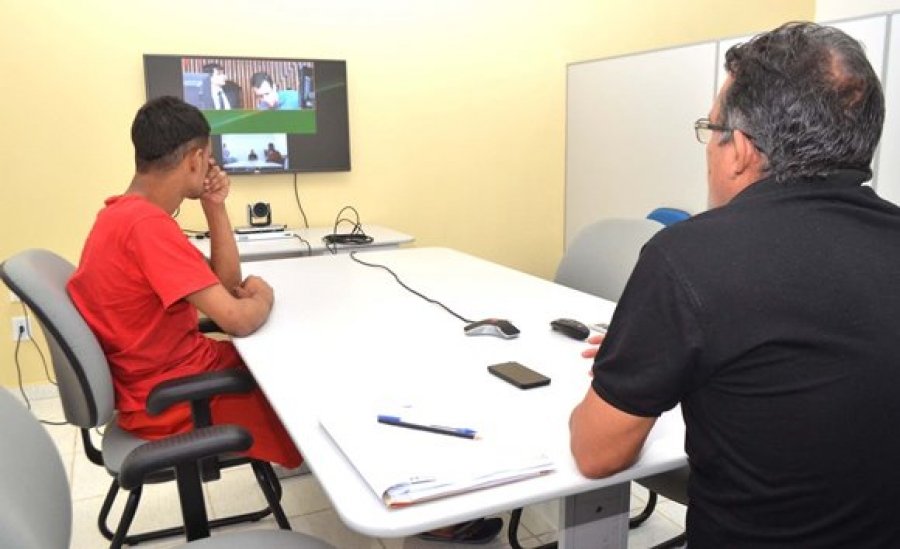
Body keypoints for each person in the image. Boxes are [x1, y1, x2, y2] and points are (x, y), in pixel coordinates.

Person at [569, 22, 900, 547]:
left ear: (741, 149)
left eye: (711, 127)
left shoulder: (689, 256)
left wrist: (639, 366)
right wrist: (659, 349)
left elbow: (596, 454)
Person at [67, 96, 301, 468]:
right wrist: (264, 296)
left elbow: (224, 285)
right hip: (175, 400)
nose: (209, 166)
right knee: (300, 382)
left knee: (285, 359)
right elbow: (237, 320)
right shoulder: (147, 227)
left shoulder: (123, 216)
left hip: (160, 384)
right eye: (208, 159)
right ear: (195, 159)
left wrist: (214, 205)